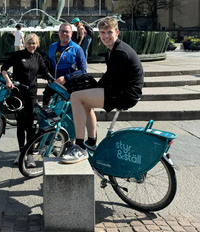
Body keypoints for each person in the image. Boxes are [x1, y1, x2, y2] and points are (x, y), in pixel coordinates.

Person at [61, 17, 144, 164]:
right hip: (121, 90)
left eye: (109, 32)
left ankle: (79, 147)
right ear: (99, 34)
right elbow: (109, 78)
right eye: (103, 32)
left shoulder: (120, 52)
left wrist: (90, 89)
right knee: (85, 102)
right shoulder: (112, 50)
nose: (106, 36)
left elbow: (108, 80)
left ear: (117, 32)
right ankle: (91, 143)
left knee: (75, 97)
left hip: (125, 94)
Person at [1, 33, 50, 167]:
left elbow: (45, 71)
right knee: (20, 124)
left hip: (31, 95)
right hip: (17, 94)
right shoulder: (18, 55)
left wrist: (53, 80)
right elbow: (4, 68)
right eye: (29, 43)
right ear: (25, 43)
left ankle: (29, 155)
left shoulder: (38, 57)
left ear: (37, 44)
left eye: (34, 43)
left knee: (30, 125)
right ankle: (21, 152)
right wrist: (8, 81)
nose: (31, 45)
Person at [43, 22, 87, 106]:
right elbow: (46, 63)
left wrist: (66, 78)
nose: (64, 34)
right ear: (58, 32)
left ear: (71, 33)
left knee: (61, 115)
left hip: (67, 88)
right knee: (46, 114)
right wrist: (47, 76)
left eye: (67, 31)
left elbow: (83, 71)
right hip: (52, 86)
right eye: (62, 31)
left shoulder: (77, 49)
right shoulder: (52, 46)